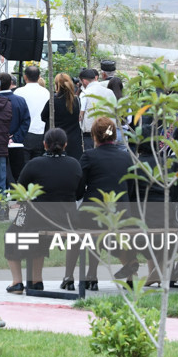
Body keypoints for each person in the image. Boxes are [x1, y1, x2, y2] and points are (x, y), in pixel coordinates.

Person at [9, 128, 84, 293]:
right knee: (39, 237)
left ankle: (17, 282)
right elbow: (79, 194)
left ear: (44, 144)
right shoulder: (74, 164)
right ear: (65, 145)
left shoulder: (34, 164)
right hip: (68, 219)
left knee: (11, 235)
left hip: (40, 218)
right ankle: (36, 280)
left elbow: (18, 193)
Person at [62, 117, 131, 290]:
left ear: (94, 136)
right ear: (114, 134)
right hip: (121, 213)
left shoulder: (89, 156)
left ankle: (69, 276)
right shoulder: (126, 157)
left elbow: (78, 189)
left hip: (93, 211)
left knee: (76, 234)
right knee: (96, 232)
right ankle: (91, 275)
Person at [41, 73, 82, 157]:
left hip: (55, 140)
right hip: (74, 140)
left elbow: (43, 117)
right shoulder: (77, 101)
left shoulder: (53, 101)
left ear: (56, 85)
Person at [16, 64, 50, 160]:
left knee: (23, 163)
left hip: (24, 132)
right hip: (41, 132)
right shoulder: (46, 92)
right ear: (39, 77)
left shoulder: (19, 92)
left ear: (25, 77)